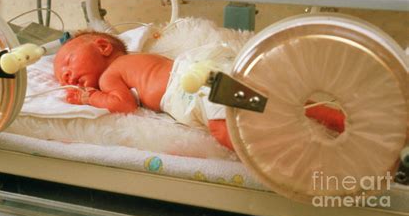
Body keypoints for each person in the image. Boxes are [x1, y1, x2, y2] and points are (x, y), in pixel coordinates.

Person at [54, 30, 345, 151]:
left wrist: (88, 97)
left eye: (68, 61)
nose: (66, 74)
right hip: (206, 66)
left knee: (222, 129)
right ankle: (327, 115)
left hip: (190, 86)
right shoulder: (135, 62)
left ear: (103, 47)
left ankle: (277, 151)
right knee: (271, 101)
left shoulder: (109, 75)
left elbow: (124, 105)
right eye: (61, 77)